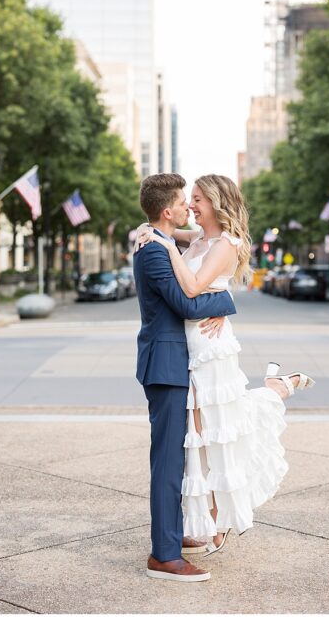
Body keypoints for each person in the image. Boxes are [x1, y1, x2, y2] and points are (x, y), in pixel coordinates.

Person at [135, 174, 315, 559]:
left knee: (219, 430)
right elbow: (164, 228)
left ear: (216, 203)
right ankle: (207, 521)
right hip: (191, 346)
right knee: (203, 437)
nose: (192, 205)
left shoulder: (225, 243)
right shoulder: (196, 238)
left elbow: (193, 288)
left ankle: (218, 518)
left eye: (197, 199)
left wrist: (168, 250)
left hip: (210, 346)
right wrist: (150, 231)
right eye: (189, 199)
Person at [132, 173, 237, 583]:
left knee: (179, 456)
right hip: (167, 364)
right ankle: (164, 555)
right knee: (168, 461)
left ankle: (172, 538)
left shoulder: (161, 242)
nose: (188, 207)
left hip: (174, 361)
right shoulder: (156, 251)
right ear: (167, 211)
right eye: (183, 201)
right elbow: (186, 304)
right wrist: (227, 300)